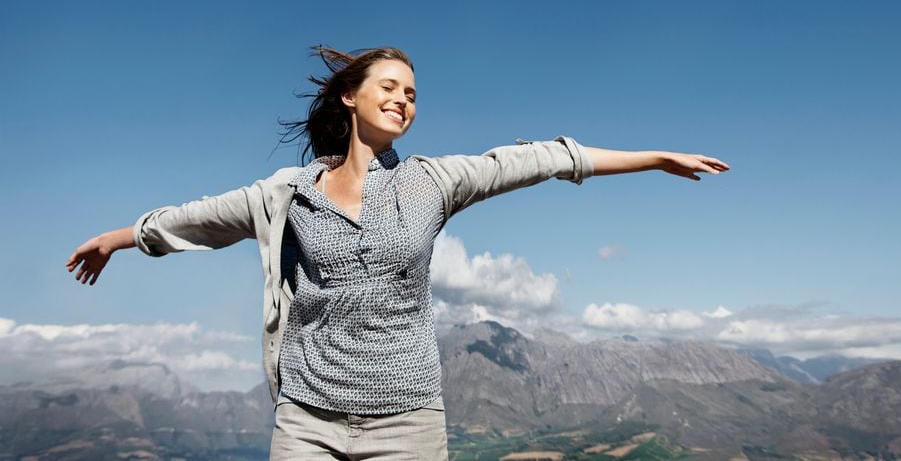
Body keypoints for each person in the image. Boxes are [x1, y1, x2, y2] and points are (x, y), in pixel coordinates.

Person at [65, 46, 730, 460]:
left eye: (412, 94)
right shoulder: (287, 195)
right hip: (307, 423)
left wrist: (653, 158)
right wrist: (121, 238)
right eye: (391, 87)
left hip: (406, 424)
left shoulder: (431, 183)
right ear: (351, 96)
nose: (404, 100)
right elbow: (201, 220)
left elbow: (541, 159)